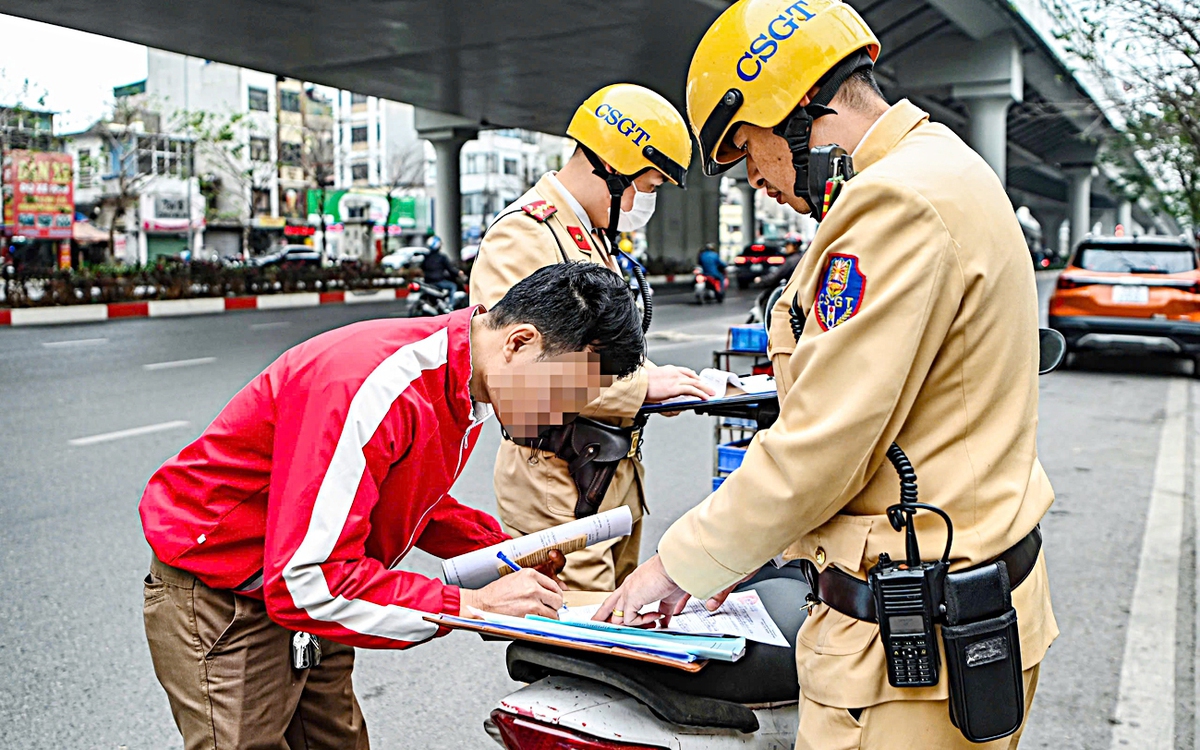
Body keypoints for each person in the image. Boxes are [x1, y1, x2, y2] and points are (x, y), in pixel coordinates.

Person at [597, 1, 1057, 747]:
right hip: (964, 602)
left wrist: (676, 567)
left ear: (797, 108)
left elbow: (826, 442)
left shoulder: (895, 201)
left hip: (909, 645)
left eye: (747, 147)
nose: (753, 177)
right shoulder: (942, 166)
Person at [140, 262, 645, 749]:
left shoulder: (465, 379)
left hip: (318, 573)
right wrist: (471, 607)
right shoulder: (377, 385)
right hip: (228, 588)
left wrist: (506, 553)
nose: (558, 416)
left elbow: (403, 494)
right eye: (561, 392)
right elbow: (306, 581)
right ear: (520, 342)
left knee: (336, 741)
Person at [470, 83, 715, 592]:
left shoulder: (585, 234)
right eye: (647, 187)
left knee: (617, 625)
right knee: (581, 638)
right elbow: (528, 372)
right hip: (556, 479)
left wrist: (650, 383)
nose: (647, 203)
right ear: (612, 168)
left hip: (604, 472)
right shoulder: (525, 235)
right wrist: (642, 388)